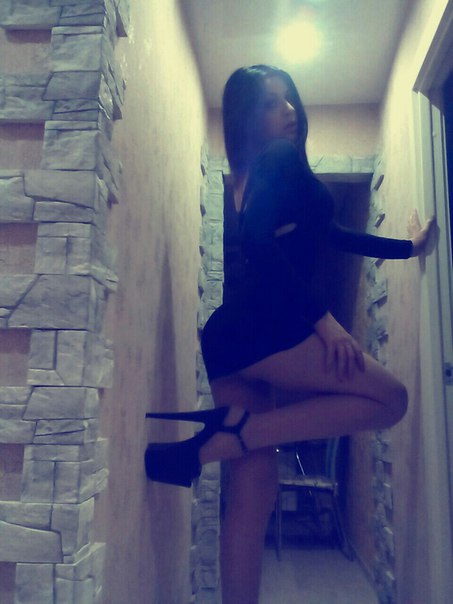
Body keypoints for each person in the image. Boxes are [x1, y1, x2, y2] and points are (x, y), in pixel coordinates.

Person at [145, 65, 434, 604]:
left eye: (290, 100)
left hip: (232, 337)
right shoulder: (277, 159)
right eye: (272, 103)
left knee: (253, 494)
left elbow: (337, 236)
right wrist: (325, 323)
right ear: (247, 116)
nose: (289, 110)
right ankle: (221, 440)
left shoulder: (257, 170)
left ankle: (211, 445)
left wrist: (408, 247)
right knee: (391, 399)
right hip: (267, 328)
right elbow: (259, 242)